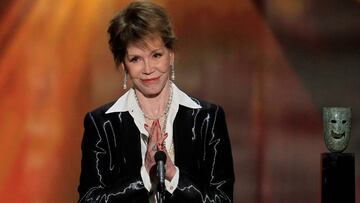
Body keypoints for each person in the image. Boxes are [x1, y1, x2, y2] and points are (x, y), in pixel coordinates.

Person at [77, 1, 234, 202]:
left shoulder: (207, 119)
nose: (148, 68)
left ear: (171, 55)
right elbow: (89, 200)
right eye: (136, 59)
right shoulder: (102, 124)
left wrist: (173, 175)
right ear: (124, 65)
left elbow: (223, 199)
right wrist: (144, 176)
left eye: (156, 55)